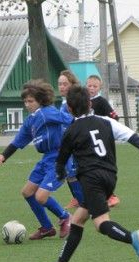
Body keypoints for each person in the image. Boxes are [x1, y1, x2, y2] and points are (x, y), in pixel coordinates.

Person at [44, 85, 139, 262]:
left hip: (91, 180)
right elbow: (133, 137)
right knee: (78, 220)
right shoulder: (106, 122)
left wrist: (59, 174)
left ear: (69, 109)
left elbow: (61, 160)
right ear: (90, 104)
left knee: (101, 224)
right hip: (110, 178)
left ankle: (132, 237)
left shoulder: (71, 131)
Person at [0, 80, 71, 240]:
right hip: (46, 159)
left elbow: (71, 120)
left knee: (40, 196)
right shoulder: (30, 120)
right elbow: (17, 141)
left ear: (41, 100)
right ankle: (47, 227)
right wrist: (3, 155)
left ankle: (65, 217)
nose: (27, 105)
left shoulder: (48, 112)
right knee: (27, 192)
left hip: (59, 158)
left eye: (30, 101)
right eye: (25, 101)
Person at [86, 74, 120, 208]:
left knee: (99, 167)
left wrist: (104, 129)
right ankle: (79, 197)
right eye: (89, 86)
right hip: (87, 139)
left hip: (99, 140)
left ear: (99, 88)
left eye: (95, 86)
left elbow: (115, 117)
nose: (91, 88)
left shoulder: (101, 102)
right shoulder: (83, 101)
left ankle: (111, 196)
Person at [57, 69, 84, 210]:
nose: (61, 87)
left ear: (72, 85)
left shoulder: (73, 104)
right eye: (59, 84)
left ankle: (87, 205)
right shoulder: (64, 103)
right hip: (66, 146)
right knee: (70, 174)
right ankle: (82, 203)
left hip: (75, 146)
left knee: (73, 174)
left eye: (65, 84)